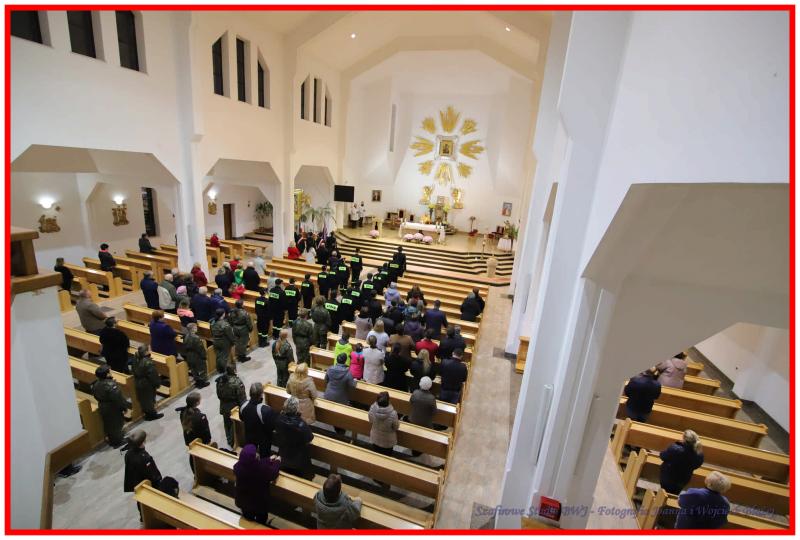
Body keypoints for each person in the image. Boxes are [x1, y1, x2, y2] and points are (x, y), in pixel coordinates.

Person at [233, 444, 281, 525]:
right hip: (259, 503)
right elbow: (273, 473)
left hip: (243, 502)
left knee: (247, 516)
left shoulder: (238, 467)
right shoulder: (261, 469)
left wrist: (269, 459)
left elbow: (255, 463)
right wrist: (277, 462)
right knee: (261, 520)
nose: (257, 454)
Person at [275, 396, 315, 479]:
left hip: (284, 453)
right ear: (296, 409)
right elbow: (310, 437)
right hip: (298, 457)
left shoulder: (279, 419)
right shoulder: (301, 424)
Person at [92, 364, 131, 447]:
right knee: (116, 423)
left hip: (102, 405)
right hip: (112, 407)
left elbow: (95, 396)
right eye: (110, 372)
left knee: (109, 424)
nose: (111, 372)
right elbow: (118, 398)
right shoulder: (111, 384)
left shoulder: (95, 384)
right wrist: (124, 407)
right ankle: (118, 441)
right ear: (107, 374)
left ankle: (113, 439)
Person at [660, 430, 704, 495]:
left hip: (668, 476)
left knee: (663, 492)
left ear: (684, 439)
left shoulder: (675, 448)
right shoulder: (699, 454)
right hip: (683, 479)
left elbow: (663, 456)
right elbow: (697, 465)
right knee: (675, 494)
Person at [240, 382, 278, 457]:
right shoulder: (266, 410)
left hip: (249, 435)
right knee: (264, 456)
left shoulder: (243, 405)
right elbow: (272, 426)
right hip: (263, 438)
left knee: (250, 455)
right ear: (261, 395)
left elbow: (242, 418)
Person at [123, 430, 162, 502]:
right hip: (148, 488)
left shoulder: (128, 454)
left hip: (137, 486)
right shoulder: (144, 457)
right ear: (143, 441)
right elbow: (152, 474)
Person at [178, 391, 211, 468]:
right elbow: (205, 431)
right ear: (197, 403)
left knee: (193, 456)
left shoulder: (183, 413)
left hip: (189, 439)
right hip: (199, 441)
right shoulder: (200, 416)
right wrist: (208, 440)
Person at [216, 364, 246, 448]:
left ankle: (229, 440)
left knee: (227, 423)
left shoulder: (220, 380)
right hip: (234, 406)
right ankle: (235, 441)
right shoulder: (237, 382)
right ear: (234, 370)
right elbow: (242, 397)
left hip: (224, 405)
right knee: (235, 425)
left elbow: (218, 395)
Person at [132, 345, 164, 420]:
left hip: (138, 382)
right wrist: (157, 383)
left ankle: (147, 414)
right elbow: (153, 374)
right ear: (146, 352)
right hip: (146, 383)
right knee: (149, 399)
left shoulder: (136, 359)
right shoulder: (148, 362)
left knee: (143, 399)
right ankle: (152, 415)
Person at [368, 391, 399, 457]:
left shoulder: (372, 408)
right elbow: (396, 427)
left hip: (375, 438)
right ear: (388, 401)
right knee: (386, 457)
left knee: (376, 456)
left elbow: (370, 420)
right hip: (387, 441)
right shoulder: (393, 414)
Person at [183, 323, 209, 388]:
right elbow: (200, 348)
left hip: (189, 355)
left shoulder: (186, 336)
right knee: (201, 369)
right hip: (196, 355)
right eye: (195, 327)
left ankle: (197, 382)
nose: (196, 328)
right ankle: (202, 383)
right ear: (192, 329)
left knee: (193, 369)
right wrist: (204, 356)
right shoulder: (196, 337)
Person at [228, 299, 253, 364]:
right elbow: (248, 322)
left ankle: (239, 355)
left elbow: (230, 320)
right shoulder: (245, 313)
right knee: (243, 343)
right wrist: (250, 329)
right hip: (243, 329)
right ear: (241, 305)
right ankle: (242, 357)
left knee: (237, 342)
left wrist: (233, 326)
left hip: (235, 328)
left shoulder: (232, 312)